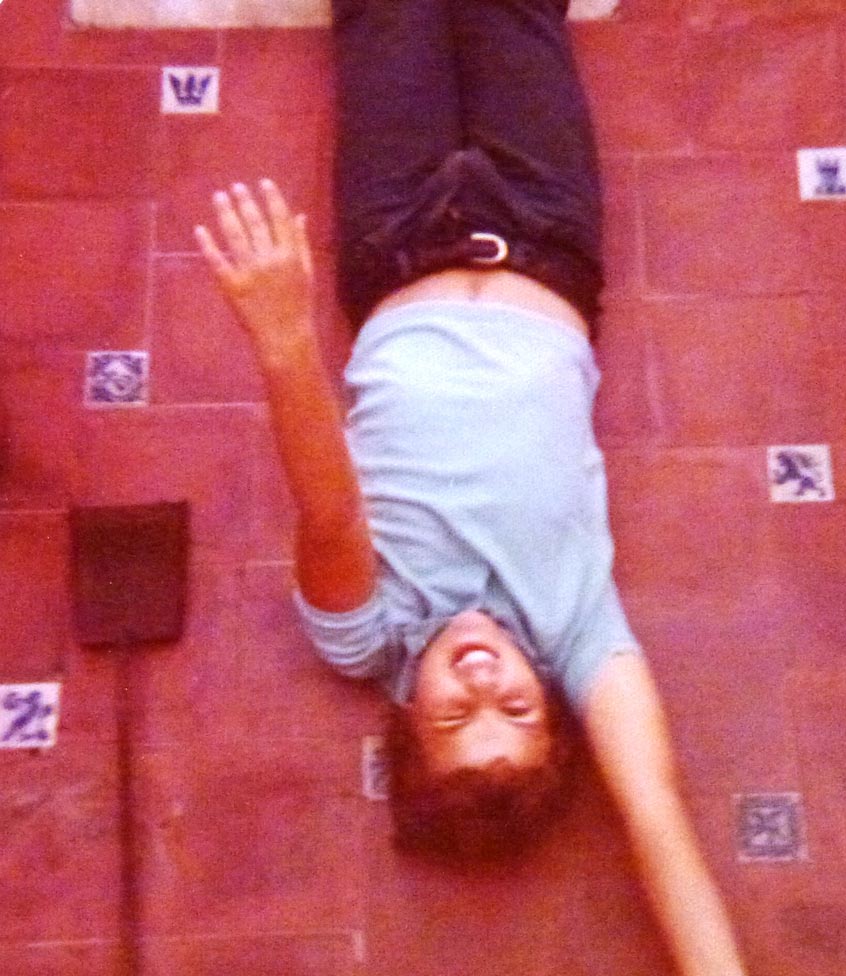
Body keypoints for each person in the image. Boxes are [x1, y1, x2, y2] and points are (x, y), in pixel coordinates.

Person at [195, 1, 748, 973]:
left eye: (456, 714)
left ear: (410, 720)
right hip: (545, 234)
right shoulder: (578, 631)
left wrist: (284, 340)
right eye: (518, 710)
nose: (485, 680)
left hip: (396, 241)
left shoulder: (369, 639)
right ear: (552, 705)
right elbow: (655, 814)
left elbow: (331, 511)